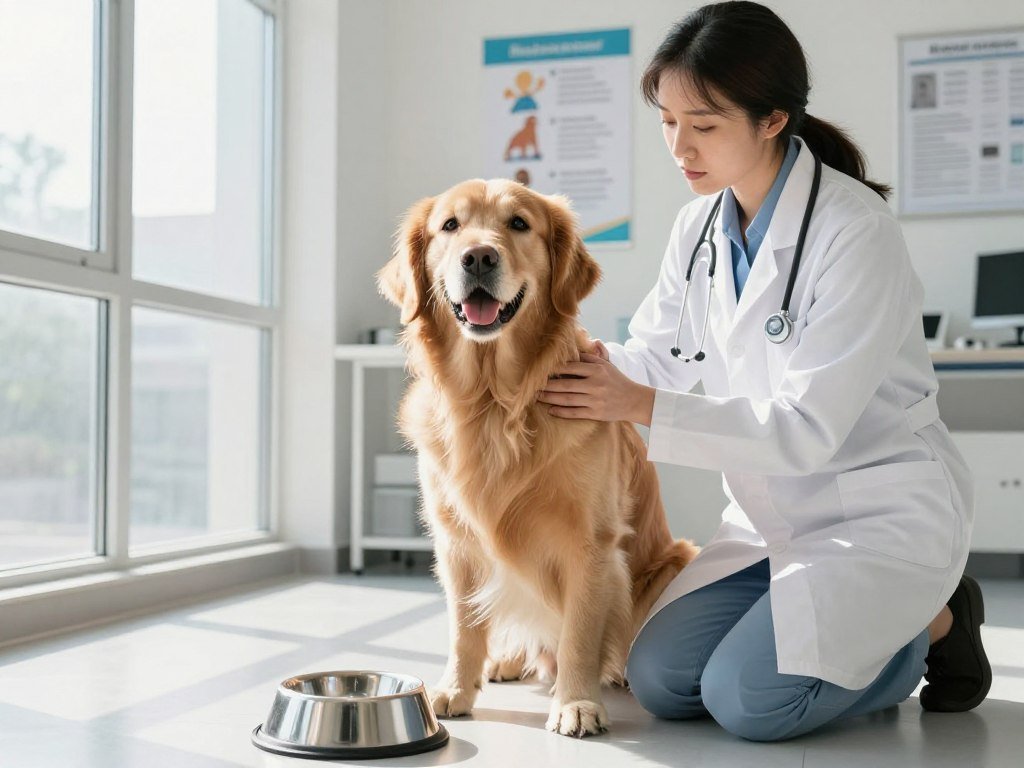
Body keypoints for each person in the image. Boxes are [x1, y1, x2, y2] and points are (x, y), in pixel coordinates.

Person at [536, 0, 991, 742]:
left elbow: (808, 430)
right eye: (667, 121)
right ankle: (835, 625)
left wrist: (640, 402)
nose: (680, 146)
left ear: (773, 119)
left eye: (704, 125)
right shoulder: (700, 226)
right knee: (661, 680)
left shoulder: (856, 233)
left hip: (874, 511)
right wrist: (552, 362)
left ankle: (932, 622)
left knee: (751, 702)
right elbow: (656, 352)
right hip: (772, 516)